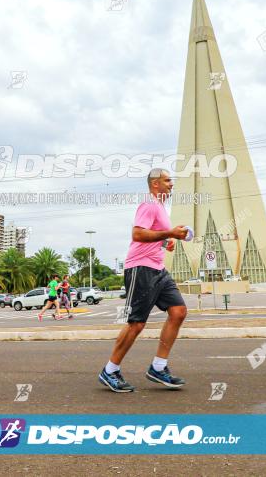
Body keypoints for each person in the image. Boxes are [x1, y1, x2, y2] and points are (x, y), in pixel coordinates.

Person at [99, 168, 190, 393]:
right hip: (140, 269)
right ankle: (109, 371)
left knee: (178, 311)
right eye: (168, 180)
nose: (172, 184)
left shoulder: (160, 208)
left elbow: (151, 236)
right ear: (155, 184)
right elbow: (138, 234)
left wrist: (165, 241)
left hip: (158, 269)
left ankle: (158, 367)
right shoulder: (149, 204)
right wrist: (169, 234)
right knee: (136, 323)